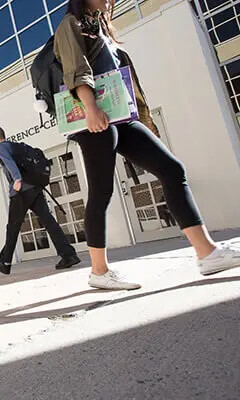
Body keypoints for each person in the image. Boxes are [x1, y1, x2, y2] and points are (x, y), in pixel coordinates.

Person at [53, 0, 240, 289]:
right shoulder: (71, 24)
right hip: (96, 118)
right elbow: (75, 68)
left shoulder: (99, 26)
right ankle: (99, 272)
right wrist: (90, 107)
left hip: (121, 114)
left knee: (171, 169)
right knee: (102, 191)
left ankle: (207, 253)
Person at [0, 126, 81, 275]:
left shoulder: (1, 147)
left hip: (22, 190)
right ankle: (69, 255)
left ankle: (5, 262)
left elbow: (10, 164)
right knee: (48, 221)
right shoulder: (16, 146)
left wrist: (17, 179)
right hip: (34, 188)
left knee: (13, 226)